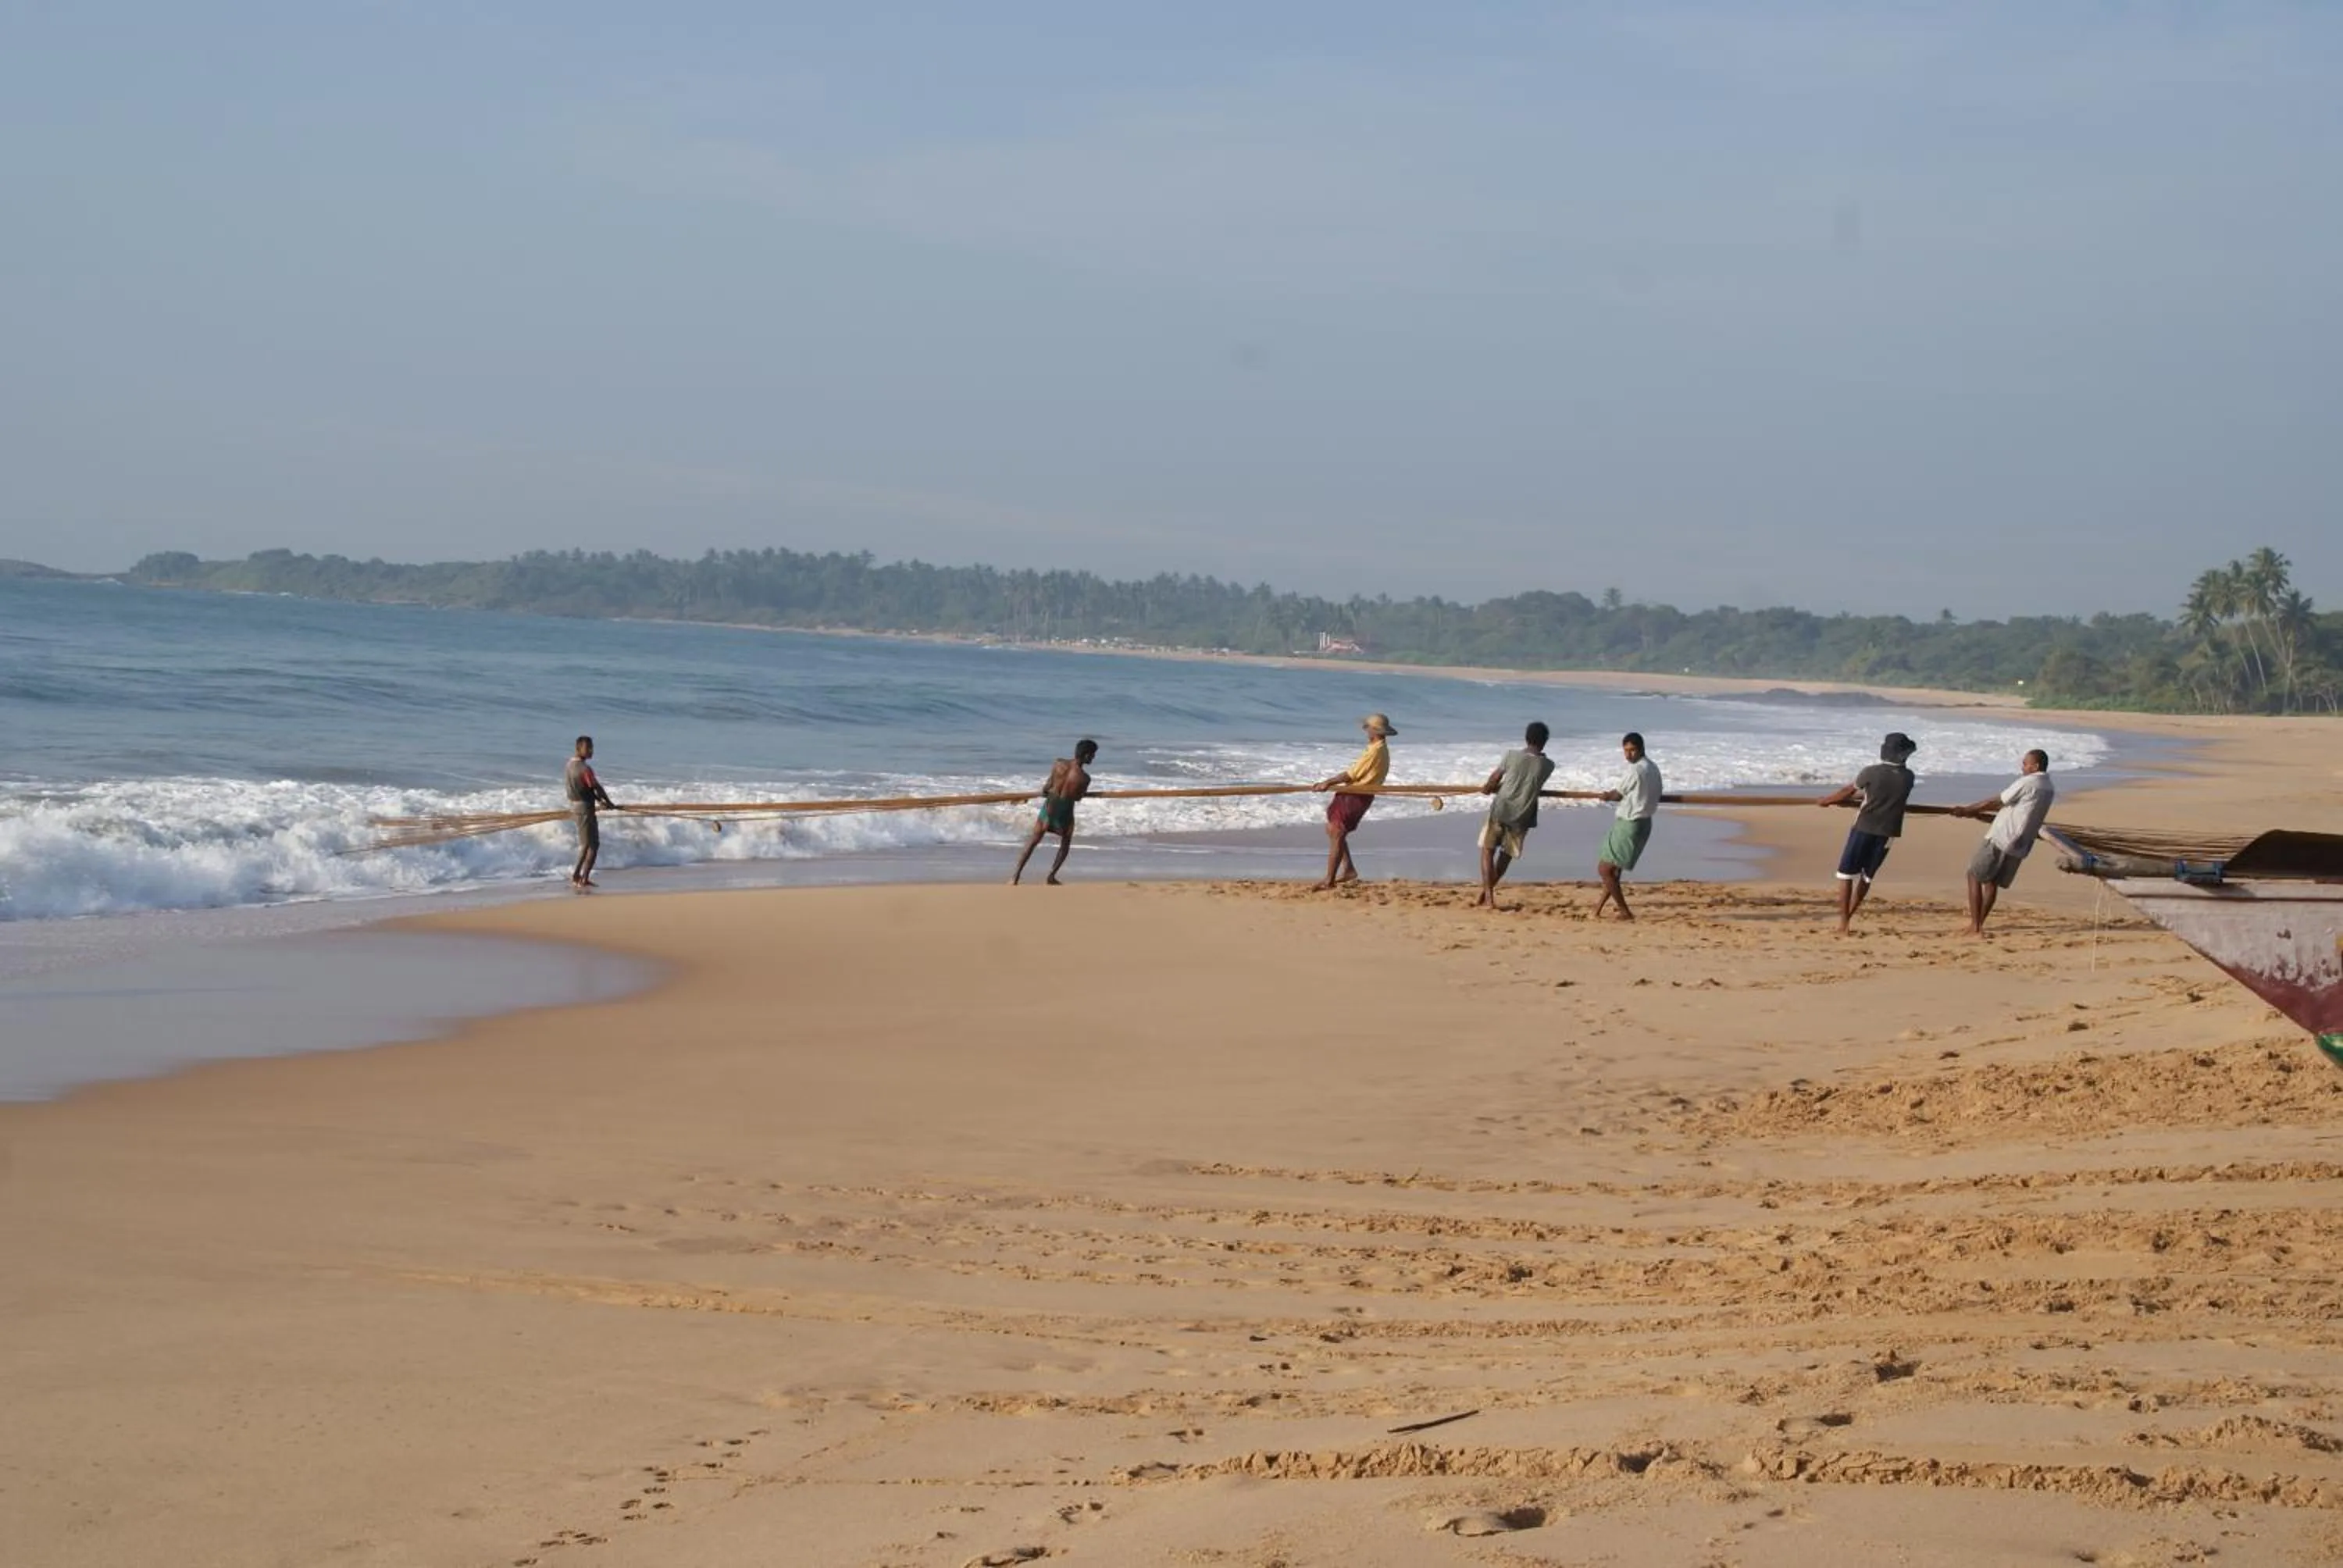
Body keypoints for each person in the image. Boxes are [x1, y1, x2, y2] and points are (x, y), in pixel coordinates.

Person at [1816, 731, 1918, 935]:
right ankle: (1849, 916)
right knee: (1867, 876)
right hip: (1889, 831)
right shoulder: (1908, 776)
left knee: (1846, 873)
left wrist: (1826, 801)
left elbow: (1848, 791)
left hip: (1864, 826)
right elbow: (1883, 792)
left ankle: (1844, 922)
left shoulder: (1871, 772)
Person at [1952, 749, 2056, 935]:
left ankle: (1976, 926)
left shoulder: (2028, 782)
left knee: (1973, 874)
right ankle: (1978, 923)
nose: (2022, 767)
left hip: (2002, 837)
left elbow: (1999, 800)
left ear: (2036, 766)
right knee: (1991, 882)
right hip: (2021, 842)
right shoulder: (2048, 787)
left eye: (2025, 763)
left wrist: (1969, 809)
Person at [1476, 722, 1557, 909]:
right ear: (1544, 742)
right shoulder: (1548, 765)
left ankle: (1488, 896)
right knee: (1506, 856)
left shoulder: (1511, 756)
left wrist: (1487, 788)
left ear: (1526, 738)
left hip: (1501, 809)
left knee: (1488, 850)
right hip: (1522, 816)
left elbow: (1495, 778)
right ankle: (1487, 892)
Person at [1312, 713, 1395, 889]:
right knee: (1333, 829)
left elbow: (1351, 774)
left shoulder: (1376, 751)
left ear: (1374, 730)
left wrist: (1327, 782)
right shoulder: (1377, 748)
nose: (1366, 731)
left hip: (1357, 794)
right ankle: (1348, 869)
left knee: (1337, 832)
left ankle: (1329, 880)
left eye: (1368, 728)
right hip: (1354, 792)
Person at [1010, 738, 1098, 886]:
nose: (1094, 758)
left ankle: (1015, 877)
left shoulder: (1058, 764)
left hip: (1049, 806)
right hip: (1064, 810)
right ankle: (1051, 876)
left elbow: (1047, 787)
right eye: (1093, 755)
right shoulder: (1084, 778)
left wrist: (1049, 790)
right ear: (1087, 755)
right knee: (1065, 843)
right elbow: (1077, 798)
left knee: (1033, 842)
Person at [1593, 732, 1662, 920]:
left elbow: (1618, 794)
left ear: (1641, 749)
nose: (1628, 755)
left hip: (1631, 823)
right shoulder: (1653, 768)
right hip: (1644, 823)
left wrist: (1607, 796)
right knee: (1614, 870)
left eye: (1632, 751)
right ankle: (1597, 909)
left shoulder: (1636, 770)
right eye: (1626, 751)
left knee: (1605, 869)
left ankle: (1624, 911)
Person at [565, 735, 619, 890]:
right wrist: (608, 802)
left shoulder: (568, 765)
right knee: (589, 844)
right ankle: (578, 876)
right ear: (578, 749)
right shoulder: (584, 769)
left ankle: (583, 878)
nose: (591, 751)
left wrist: (599, 800)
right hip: (585, 809)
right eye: (588, 748)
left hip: (576, 807)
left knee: (592, 844)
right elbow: (596, 787)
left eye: (591, 747)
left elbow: (586, 789)